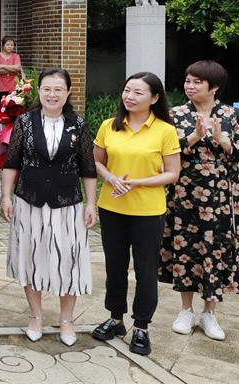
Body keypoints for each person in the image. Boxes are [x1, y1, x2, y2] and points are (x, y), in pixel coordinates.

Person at [0, 68, 97, 346]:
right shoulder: (25, 122)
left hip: (67, 204)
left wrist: (91, 204)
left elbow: (88, 168)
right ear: (39, 91)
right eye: (46, 89)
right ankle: (36, 316)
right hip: (29, 200)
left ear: (68, 92)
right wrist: (6, 196)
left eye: (58, 89)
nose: (52, 95)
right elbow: (12, 162)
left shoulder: (78, 124)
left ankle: (67, 320)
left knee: (69, 260)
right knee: (30, 257)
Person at [160, 61, 239, 341]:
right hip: (184, 192)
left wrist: (223, 141)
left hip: (222, 196)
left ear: (214, 87)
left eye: (197, 82)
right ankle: (186, 310)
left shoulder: (234, 116)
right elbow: (164, 150)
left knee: (216, 247)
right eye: (187, 81)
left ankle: (209, 313)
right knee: (185, 247)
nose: (189, 86)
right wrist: (194, 137)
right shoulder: (175, 115)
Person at [91, 72, 180, 356]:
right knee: (115, 266)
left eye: (138, 92)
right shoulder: (109, 126)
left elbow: (173, 173)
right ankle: (115, 318)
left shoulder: (165, 130)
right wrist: (111, 178)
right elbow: (96, 161)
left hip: (148, 211)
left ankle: (141, 326)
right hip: (112, 208)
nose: (130, 97)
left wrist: (136, 182)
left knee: (145, 270)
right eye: (127, 90)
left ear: (154, 98)